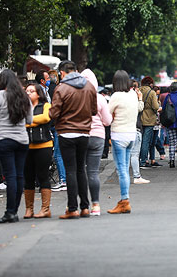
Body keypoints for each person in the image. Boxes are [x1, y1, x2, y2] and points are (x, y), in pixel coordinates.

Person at [49, 60, 97, 219]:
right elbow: (94, 110)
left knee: (70, 169)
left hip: (66, 133)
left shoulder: (61, 88)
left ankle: (72, 208)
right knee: (80, 169)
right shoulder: (89, 87)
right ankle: (85, 207)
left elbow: (53, 113)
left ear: (62, 73)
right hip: (84, 133)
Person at [0, 69, 33, 224]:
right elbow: (30, 119)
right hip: (22, 140)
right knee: (19, 175)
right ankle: (14, 211)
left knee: (10, 176)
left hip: (4, 139)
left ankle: (9, 212)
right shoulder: (24, 96)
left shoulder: (0, 95)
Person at [107, 70, 144, 214]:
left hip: (119, 135)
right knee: (125, 168)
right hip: (131, 135)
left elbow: (107, 114)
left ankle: (124, 201)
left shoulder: (116, 96)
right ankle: (124, 200)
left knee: (121, 169)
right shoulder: (133, 95)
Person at [79, 69, 114, 216]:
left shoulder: (76, 96)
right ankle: (96, 205)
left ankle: (80, 206)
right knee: (93, 173)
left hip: (79, 136)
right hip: (97, 137)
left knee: (78, 172)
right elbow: (107, 121)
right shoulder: (100, 98)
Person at [23, 82, 54, 219]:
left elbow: (46, 117)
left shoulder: (46, 105)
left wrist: (29, 121)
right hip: (26, 146)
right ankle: (29, 209)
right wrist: (35, 121)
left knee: (43, 176)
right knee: (28, 177)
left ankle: (45, 208)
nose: (28, 93)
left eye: (31, 91)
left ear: (38, 93)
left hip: (44, 145)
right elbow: (19, 120)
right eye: (27, 91)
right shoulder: (23, 107)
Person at [139, 76, 161, 169]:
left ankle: (139, 159)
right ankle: (143, 161)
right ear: (150, 84)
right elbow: (155, 107)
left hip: (139, 118)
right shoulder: (151, 92)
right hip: (149, 119)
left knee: (139, 140)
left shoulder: (138, 91)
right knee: (146, 141)